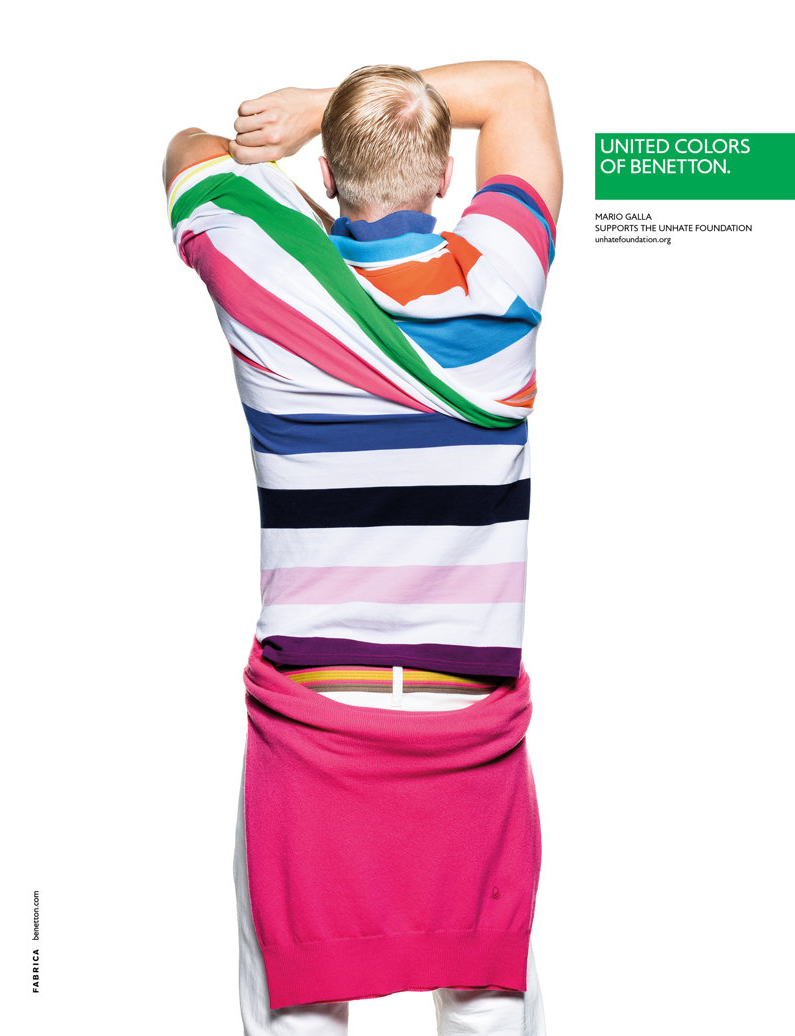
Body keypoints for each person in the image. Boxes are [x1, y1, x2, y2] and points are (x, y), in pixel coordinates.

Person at [164, 59, 562, 1035]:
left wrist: (313, 153)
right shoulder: (504, 278)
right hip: (464, 739)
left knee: (296, 1010)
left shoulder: (265, 268)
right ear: (446, 179)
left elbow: (188, 149)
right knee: (489, 1004)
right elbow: (519, 91)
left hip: (313, 735)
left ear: (330, 175)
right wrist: (328, 109)